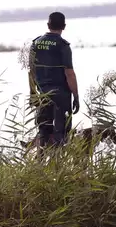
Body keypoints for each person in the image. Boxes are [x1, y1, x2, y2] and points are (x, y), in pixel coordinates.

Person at [28, 11, 80, 149]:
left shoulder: (35, 43)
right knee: (62, 132)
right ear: (64, 26)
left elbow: (31, 72)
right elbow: (69, 74)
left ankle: (40, 163)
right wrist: (76, 96)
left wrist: (33, 94)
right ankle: (58, 163)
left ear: (48, 24)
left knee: (44, 130)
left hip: (43, 95)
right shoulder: (63, 46)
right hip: (61, 96)